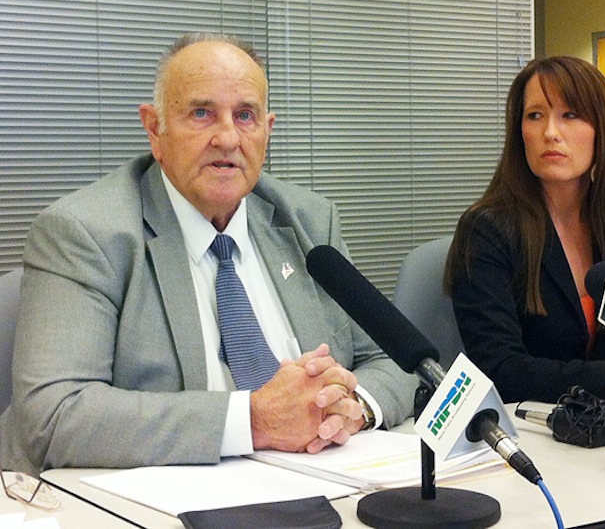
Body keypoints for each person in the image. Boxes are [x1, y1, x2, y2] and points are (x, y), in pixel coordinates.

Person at [0, 32, 417, 476]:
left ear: (267, 131)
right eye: (201, 113)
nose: (227, 137)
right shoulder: (86, 233)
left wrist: (351, 407)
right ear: (155, 129)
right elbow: (53, 415)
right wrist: (253, 420)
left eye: (245, 116)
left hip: (313, 482)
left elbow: (397, 360)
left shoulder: (309, 222)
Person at [444, 56, 605, 404]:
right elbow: (499, 369)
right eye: (535, 115)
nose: (550, 132)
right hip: (531, 426)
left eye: (570, 115)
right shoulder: (488, 230)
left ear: (602, 129)